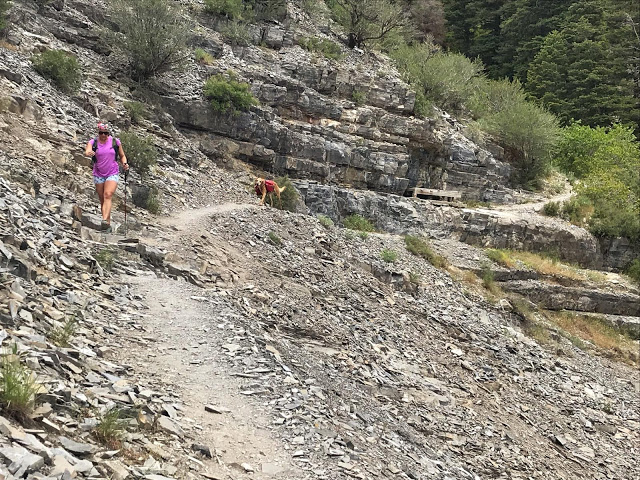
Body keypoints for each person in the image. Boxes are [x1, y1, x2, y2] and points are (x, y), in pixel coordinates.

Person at [84, 123, 129, 233]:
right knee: (102, 200)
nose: (103, 135)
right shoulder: (93, 142)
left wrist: (125, 163)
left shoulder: (115, 142)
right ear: (98, 133)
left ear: (108, 133)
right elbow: (87, 151)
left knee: (107, 195)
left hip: (112, 172)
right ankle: (107, 225)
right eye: (101, 133)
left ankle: (104, 220)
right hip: (98, 173)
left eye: (106, 133)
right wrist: (88, 153)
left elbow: (122, 155)